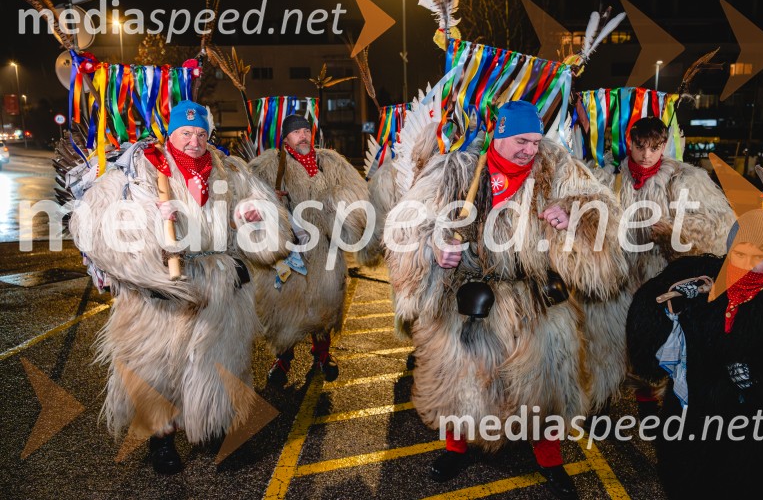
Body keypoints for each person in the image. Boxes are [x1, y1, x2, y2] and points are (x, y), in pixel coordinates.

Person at [385, 100, 630, 499]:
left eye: (535, 140)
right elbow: (409, 222)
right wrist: (435, 248)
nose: (530, 150)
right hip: (469, 301)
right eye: (521, 140)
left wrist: (575, 218)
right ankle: (455, 450)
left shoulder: (555, 166)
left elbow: (602, 210)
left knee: (546, 388)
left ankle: (549, 457)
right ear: (499, 133)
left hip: (536, 301)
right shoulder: (459, 168)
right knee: (458, 383)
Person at [69, 100, 290, 474]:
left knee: (220, 363)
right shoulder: (141, 168)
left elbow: (273, 227)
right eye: (186, 133)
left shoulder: (233, 172)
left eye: (201, 133)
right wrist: (151, 225)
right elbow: (95, 221)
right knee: (157, 366)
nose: (194, 140)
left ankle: (216, 425)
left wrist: (252, 218)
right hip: (163, 289)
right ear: (171, 133)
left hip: (220, 285)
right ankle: (162, 439)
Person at [626, 209, 763, 499]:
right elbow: (650, 334)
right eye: (740, 254)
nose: (747, 265)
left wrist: (759, 380)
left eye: (759, 257)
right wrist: (673, 307)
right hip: (695, 427)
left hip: (755, 439)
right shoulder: (702, 278)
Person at [595, 116, 735, 417]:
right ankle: (603, 401)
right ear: (630, 143)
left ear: (664, 146)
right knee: (610, 343)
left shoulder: (683, 179)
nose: (647, 155)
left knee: (653, 342)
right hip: (617, 280)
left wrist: (675, 232)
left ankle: (648, 402)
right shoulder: (610, 178)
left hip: (659, 279)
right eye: (640, 146)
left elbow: (717, 225)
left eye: (655, 148)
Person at [248, 114, 369, 384]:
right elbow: (249, 194)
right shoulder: (270, 165)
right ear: (285, 137)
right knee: (285, 307)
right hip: (288, 252)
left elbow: (354, 193)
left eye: (306, 130)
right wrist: (271, 202)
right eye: (296, 132)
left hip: (325, 249)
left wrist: (336, 210)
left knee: (326, 302)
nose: (303, 136)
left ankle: (323, 354)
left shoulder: (330, 162)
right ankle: (282, 358)